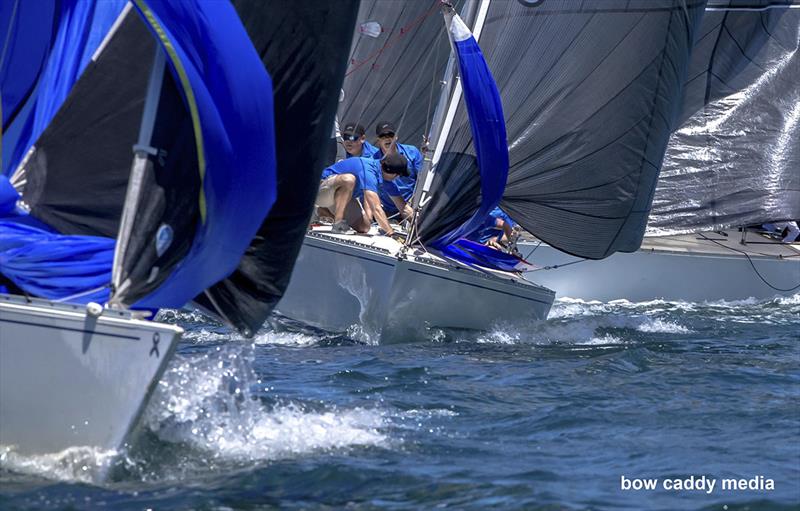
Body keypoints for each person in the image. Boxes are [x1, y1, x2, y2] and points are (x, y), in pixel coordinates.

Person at [316, 157, 399, 237]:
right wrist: (390, 233)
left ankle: (324, 210)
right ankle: (338, 223)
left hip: (339, 197)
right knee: (349, 180)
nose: (397, 178)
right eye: (398, 175)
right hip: (319, 191)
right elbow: (376, 208)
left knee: (364, 227)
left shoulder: (383, 178)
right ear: (394, 174)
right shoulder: (368, 170)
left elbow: (404, 208)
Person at [372, 121, 423, 216]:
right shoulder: (373, 161)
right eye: (383, 136)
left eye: (391, 135)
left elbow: (422, 179)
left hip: (412, 207)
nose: (387, 138)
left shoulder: (412, 152)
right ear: (378, 139)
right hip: (388, 212)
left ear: (396, 136)